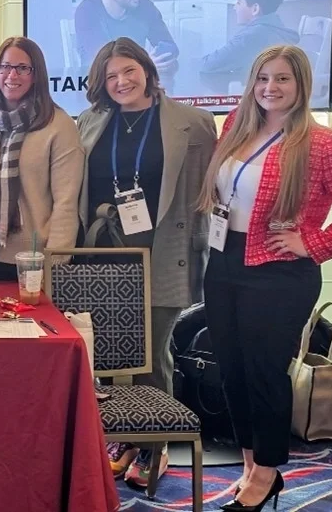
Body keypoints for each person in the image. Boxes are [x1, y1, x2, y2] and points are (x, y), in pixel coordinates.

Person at [198, 44, 332, 511]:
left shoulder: (324, 144)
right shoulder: (237, 127)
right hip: (224, 262)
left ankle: (271, 471)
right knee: (231, 372)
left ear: (301, 87)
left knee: (264, 374)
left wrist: (312, 244)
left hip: (280, 273)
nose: (270, 88)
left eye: (282, 80)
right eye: (262, 79)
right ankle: (251, 466)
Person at [77, 37, 216, 488]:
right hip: (102, 255)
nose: (121, 82)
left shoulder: (193, 123)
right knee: (112, 355)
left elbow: (204, 197)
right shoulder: (90, 122)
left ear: (147, 70)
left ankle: (157, 447)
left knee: (152, 354)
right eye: (111, 76)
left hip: (163, 253)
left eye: (128, 71)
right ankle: (130, 439)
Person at [0, 36, 84, 279]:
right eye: (5, 67)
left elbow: (66, 202)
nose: (12, 75)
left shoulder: (58, 126)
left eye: (22, 68)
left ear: (36, 74)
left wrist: (57, 260)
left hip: (33, 260)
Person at [74, 0, 178, 74]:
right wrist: (145, 63)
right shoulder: (87, 11)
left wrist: (161, 57)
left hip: (137, 82)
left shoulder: (145, 6)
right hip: (97, 84)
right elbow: (103, 59)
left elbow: (170, 46)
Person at [200, 0, 300, 76]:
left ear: (255, 9)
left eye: (239, 2)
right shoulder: (278, 30)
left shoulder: (251, 37)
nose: (235, 7)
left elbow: (207, 65)